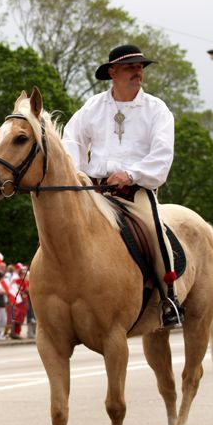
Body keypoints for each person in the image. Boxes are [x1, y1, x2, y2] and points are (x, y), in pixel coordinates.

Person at [62, 44, 183, 327]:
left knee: (155, 230)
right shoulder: (92, 107)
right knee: (61, 226)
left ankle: (169, 297)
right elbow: (71, 140)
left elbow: (162, 154)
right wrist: (76, 175)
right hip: (95, 191)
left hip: (135, 191)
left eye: (140, 67)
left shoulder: (157, 109)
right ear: (112, 73)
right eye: (130, 67)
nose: (138, 72)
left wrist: (130, 174)